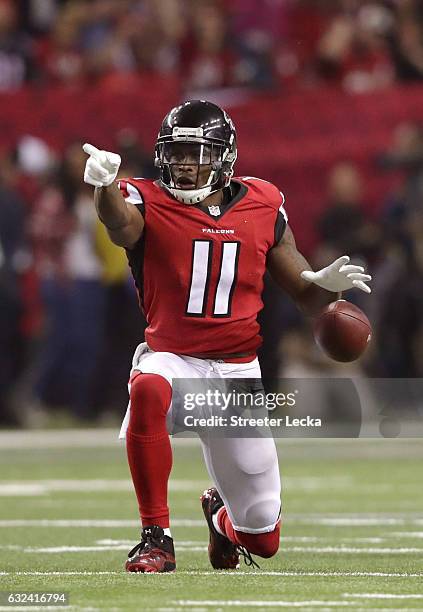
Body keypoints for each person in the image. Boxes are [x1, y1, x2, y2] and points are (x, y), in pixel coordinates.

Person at [83, 99, 371, 573]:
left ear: (224, 156)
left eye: (196, 154)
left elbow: (300, 287)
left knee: (264, 538)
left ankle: (221, 518)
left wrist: (320, 286)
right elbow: (118, 224)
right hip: (175, 357)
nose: (184, 165)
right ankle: (156, 537)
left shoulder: (262, 202)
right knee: (148, 384)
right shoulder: (146, 199)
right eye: (176, 154)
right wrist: (103, 186)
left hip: (238, 374)